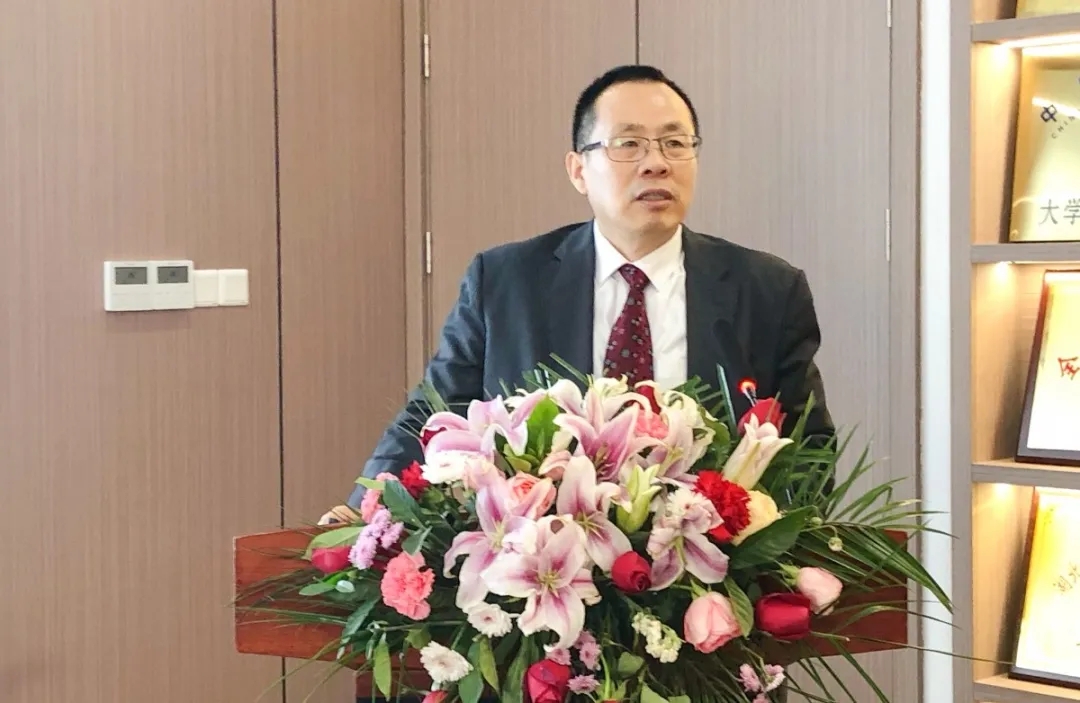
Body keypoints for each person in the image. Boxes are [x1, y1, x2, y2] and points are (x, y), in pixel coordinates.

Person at [321, 63, 834, 523]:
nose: (656, 163)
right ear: (578, 170)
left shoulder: (767, 291)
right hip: (541, 566)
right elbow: (433, 417)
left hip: (709, 569)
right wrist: (364, 509)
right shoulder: (505, 283)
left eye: (675, 144)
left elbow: (808, 449)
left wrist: (773, 548)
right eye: (628, 144)